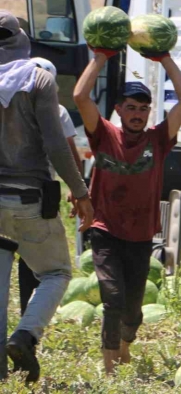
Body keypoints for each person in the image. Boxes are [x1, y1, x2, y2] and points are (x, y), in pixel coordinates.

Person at [73, 45, 181, 374]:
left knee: (133, 309)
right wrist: (100, 57)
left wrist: (164, 59)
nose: (137, 113)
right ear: (119, 110)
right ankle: (109, 367)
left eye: (143, 108)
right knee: (112, 297)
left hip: (141, 235)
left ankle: (125, 345)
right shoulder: (103, 135)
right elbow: (80, 96)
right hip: (105, 230)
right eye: (130, 108)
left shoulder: (158, 139)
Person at [0, 10, 94, 382]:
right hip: (29, 200)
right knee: (55, 272)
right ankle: (25, 335)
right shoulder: (38, 79)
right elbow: (56, 144)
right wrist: (81, 192)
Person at [18, 58, 85, 317]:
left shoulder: (8, 102)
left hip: (8, 191)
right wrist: (78, 189)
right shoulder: (57, 111)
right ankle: (27, 321)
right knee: (39, 262)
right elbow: (67, 151)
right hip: (40, 194)